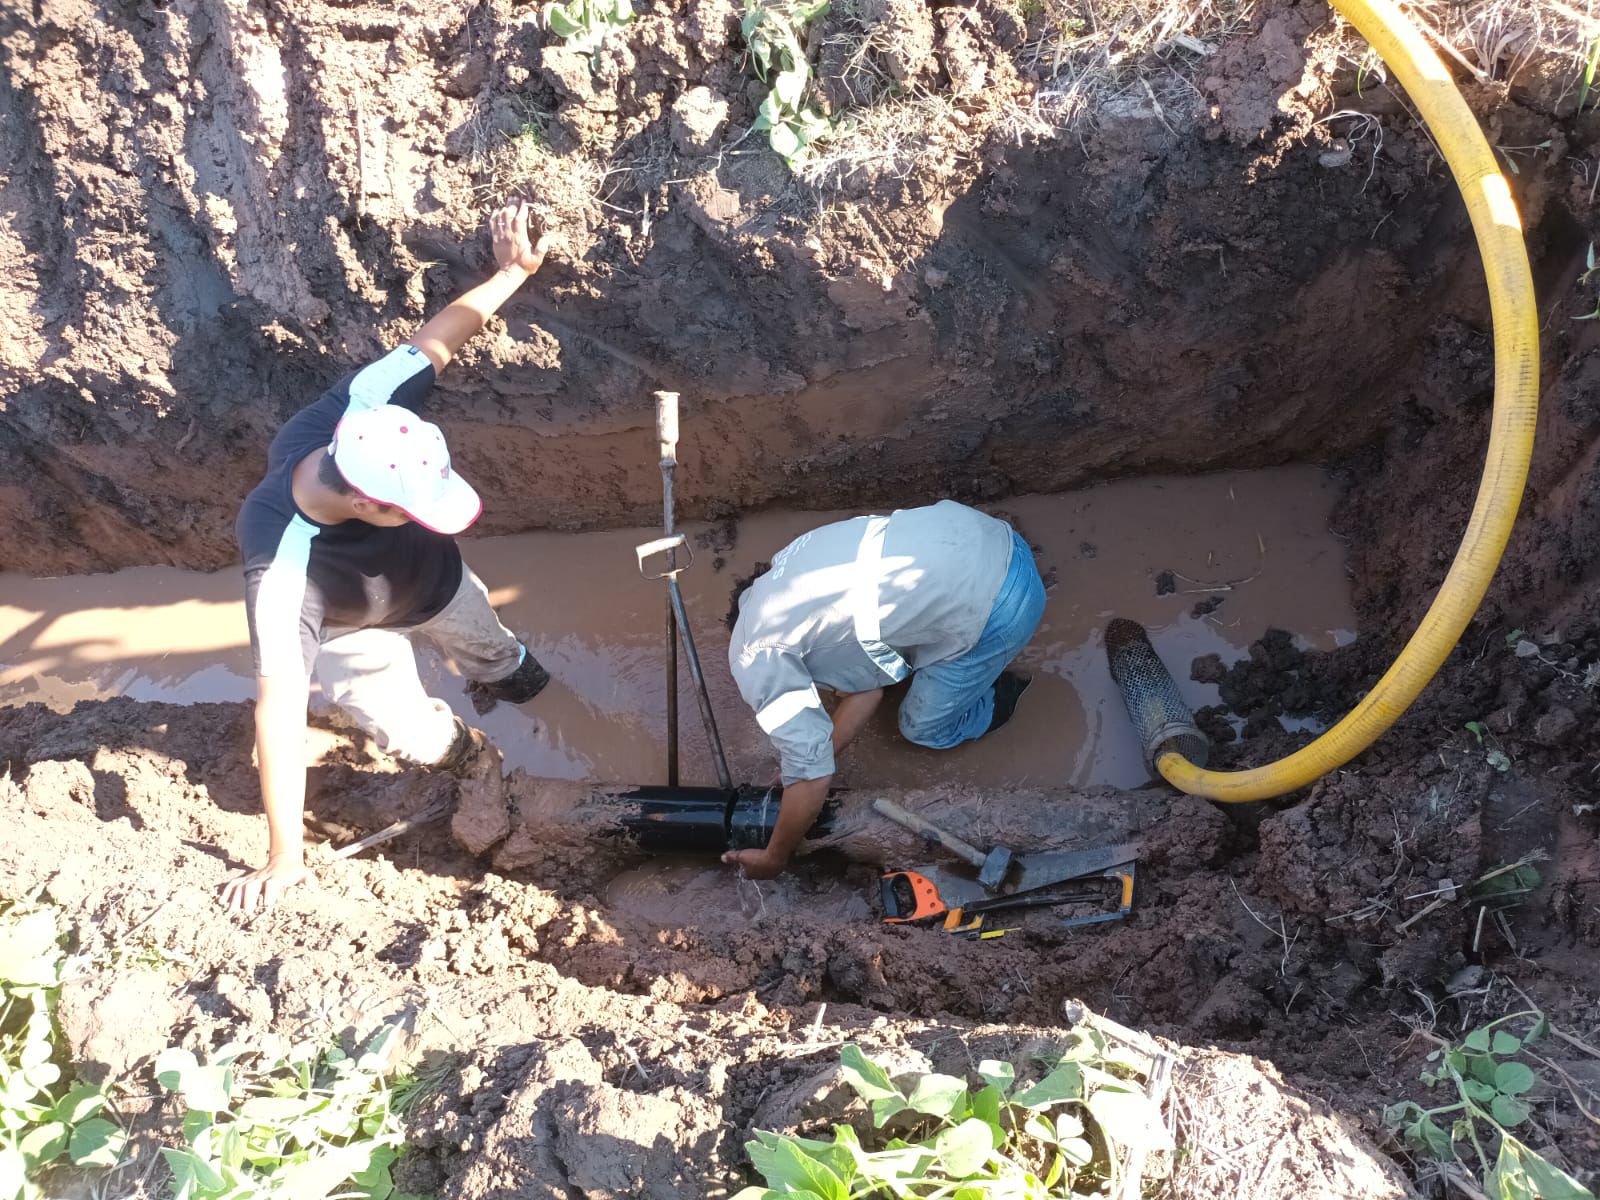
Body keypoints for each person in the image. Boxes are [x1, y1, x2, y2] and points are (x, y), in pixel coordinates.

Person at [222, 201, 552, 913]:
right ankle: (477, 763)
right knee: (413, 732)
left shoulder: (365, 409)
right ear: (368, 503)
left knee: (497, 650)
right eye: (412, 506)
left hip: (435, 585)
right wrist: (284, 858)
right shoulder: (281, 569)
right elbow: (276, 709)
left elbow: (438, 340)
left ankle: (520, 690)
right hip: (351, 629)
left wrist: (509, 274)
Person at [720, 500, 1046, 879]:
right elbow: (867, 692)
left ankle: (999, 693)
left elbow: (812, 778)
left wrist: (775, 855)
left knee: (921, 729)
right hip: (991, 535)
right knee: (887, 659)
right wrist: (818, 755)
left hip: (1003, 606)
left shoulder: (753, 655)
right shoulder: (789, 561)